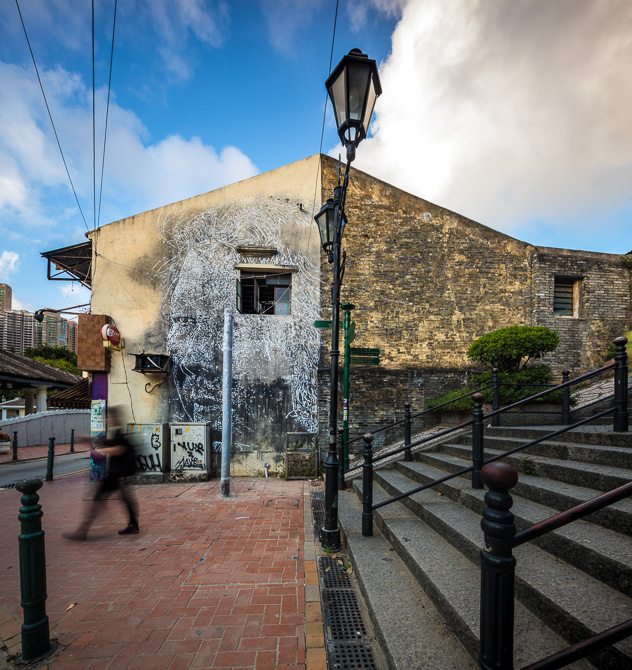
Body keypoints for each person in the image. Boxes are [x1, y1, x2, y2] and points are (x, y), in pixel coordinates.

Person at [63, 406, 139, 540]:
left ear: (116, 418)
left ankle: (82, 531)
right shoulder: (117, 432)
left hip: (115, 473)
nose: (107, 419)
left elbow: (119, 449)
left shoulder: (120, 433)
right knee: (125, 498)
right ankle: (133, 525)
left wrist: (100, 451)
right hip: (117, 473)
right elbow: (111, 444)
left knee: (97, 499)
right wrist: (91, 439)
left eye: (109, 417)